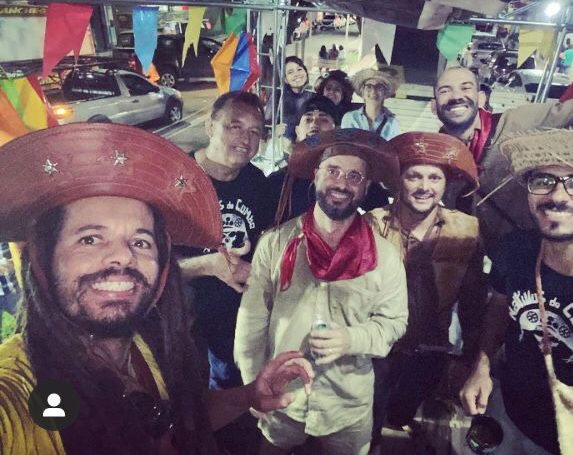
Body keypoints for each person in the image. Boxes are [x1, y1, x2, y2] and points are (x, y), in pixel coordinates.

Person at [0, 123, 313, 454]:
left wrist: (248, 395)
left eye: (140, 241)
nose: (123, 256)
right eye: (90, 239)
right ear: (43, 259)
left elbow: (182, 422)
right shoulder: (15, 392)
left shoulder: (144, 346)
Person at [459, 127, 573, 454]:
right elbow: (500, 306)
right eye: (544, 180)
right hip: (508, 417)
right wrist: (481, 365)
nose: (558, 196)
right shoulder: (515, 250)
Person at [235, 129, 409, 455]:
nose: (342, 183)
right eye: (333, 171)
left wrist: (352, 339)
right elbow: (252, 318)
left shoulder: (384, 256)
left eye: (354, 177)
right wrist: (252, 385)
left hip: (347, 403)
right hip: (283, 394)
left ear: (366, 188)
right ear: (316, 175)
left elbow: (394, 322)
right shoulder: (276, 243)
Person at [432, 65, 573, 256]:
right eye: (445, 91)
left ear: (481, 98)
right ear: (434, 107)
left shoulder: (520, 122)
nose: (456, 96)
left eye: (465, 88)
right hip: (514, 265)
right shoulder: (438, 164)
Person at [366, 132, 487, 453]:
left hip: (430, 348)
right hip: (377, 348)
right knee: (367, 421)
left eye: (434, 178)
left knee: (403, 409)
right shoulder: (372, 225)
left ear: (445, 185)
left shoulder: (466, 230)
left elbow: (474, 302)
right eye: (414, 176)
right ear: (398, 181)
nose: (424, 186)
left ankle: (399, 421)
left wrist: (471, 358)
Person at [177, 91, 273, 392]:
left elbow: (263, 244)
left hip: (233, 322)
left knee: (230, 397)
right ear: (210, 127)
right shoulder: (176, 179)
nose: (245, 138)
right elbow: (148, 268)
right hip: (182, 324)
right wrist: (208, 265)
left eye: (255, 131)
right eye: (235, 126)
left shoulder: (256, 182)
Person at [269, 96, 390, 224]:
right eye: (308, 119)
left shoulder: (352, 177)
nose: (314, 124)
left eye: (324, 119)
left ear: (336, 130)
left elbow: (382, 214)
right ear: (298, 131)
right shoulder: (279, 181)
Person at [341, 67, 401, 140]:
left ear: (385, 93)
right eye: (369, 86)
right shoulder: (350, 118)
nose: (373, 91)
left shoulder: (392, 123)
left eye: (379, 87)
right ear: (362, 92)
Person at [265, 56, 315, 143]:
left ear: (306, 73)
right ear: (285, 79)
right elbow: (266, 125)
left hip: (308, 146)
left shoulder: (314, 97)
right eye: (290, 72)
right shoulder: (278, 97)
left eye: (299, 69)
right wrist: (273, 131)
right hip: (284, 146)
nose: (296, 74)